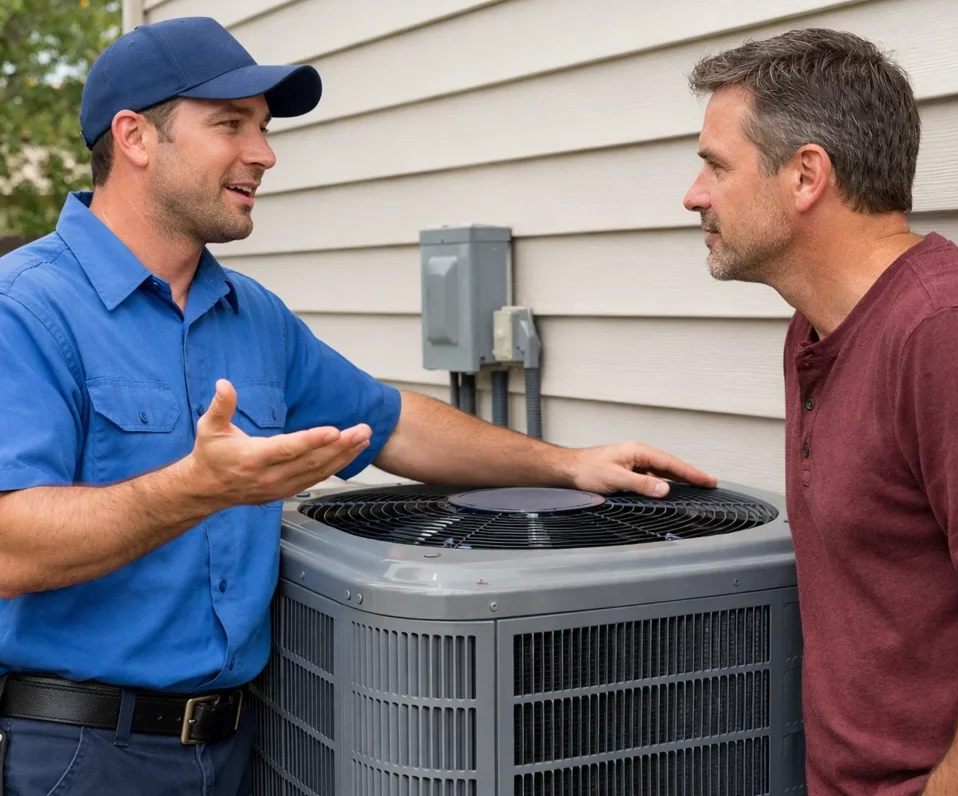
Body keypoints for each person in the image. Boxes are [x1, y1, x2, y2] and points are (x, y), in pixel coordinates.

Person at [0, 16, 717, 796]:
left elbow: (394, 423)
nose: (264, 153)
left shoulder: (252, 315)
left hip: (238, 748)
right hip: (76, 755)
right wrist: (196, 489)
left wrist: (567, 464)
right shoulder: (28, 310)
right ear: (136, 137)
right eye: (229, 124)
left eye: (266, 129)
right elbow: (11, 550)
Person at [683, 27, 958, 796]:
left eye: (715, 165)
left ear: (806, 176)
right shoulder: (813, 326)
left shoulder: (954, 330)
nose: (694, 193)